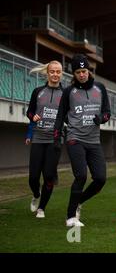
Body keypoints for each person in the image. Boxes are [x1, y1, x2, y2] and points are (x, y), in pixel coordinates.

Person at [54, 54, 111, 227]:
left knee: (100, 178)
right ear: (74, 74)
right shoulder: (68, 92)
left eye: (84, 71)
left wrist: (101, 118)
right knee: (81, 175)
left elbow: (107, 112)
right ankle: (71, 217)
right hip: (75, 138)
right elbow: (60, 115)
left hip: (94, 141)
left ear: (89, 71)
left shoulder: (100, 88)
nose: (82, 74)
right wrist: (57, 135)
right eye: (78, 72)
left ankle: (79, 201)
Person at [26, 61, 64, 219]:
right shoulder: (38, 91)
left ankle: (41, 208)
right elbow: (29, 112)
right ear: (47, 73)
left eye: (58, 72)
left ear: (61, 74)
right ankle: (36, 194)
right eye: (52, 71)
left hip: (54, 140)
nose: (55, 74)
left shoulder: (66, 94)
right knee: (33, 177)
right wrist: (33, 117)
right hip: (38, 138)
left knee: (49, 175)